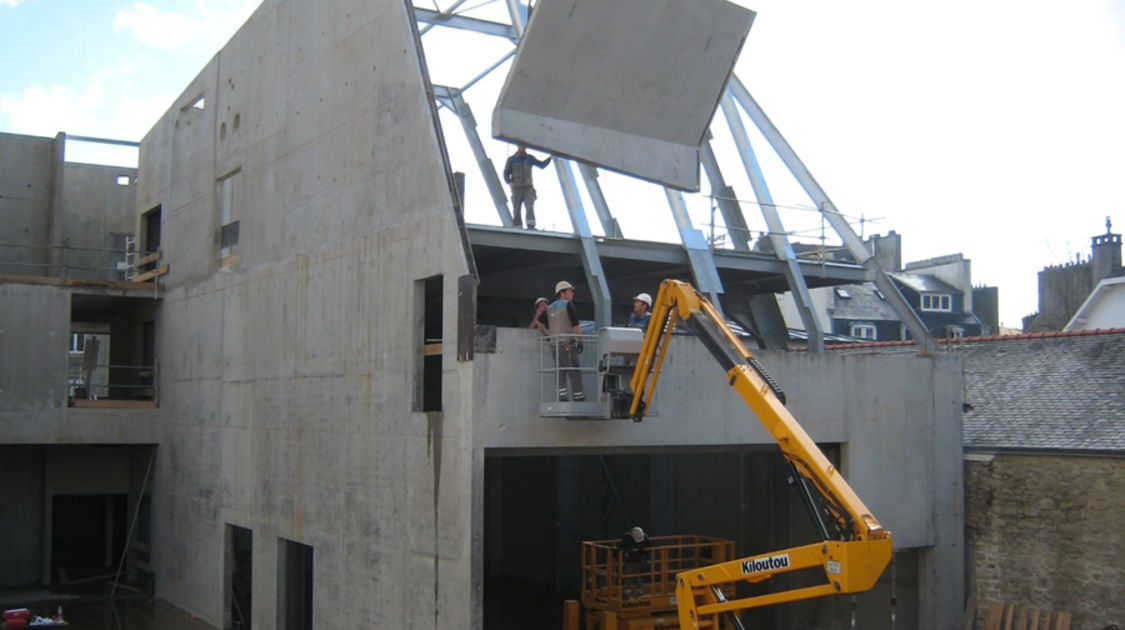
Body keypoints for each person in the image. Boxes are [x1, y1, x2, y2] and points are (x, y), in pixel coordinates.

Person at [538, 280, 585, 401]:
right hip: (567, 344)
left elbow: (538, 322)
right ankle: (578, 397)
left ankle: (562, 396)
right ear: (563, 293)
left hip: (555, 345)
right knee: (574, 371)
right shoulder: (568, 305)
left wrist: (548, 337)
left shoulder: (550, 307)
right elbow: (576, 325)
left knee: (560, 372)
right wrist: (580, 341)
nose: (572, 294)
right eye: (570, 292)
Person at [503, 144, 552, 229]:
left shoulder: (529, 158)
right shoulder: (511, 159)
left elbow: (541, 165)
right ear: (518, 147)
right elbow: (506, 173)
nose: (524, 148)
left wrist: (551, 158)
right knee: (516, 209)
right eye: (522, 146)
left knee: (530, 207)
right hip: (516, 188)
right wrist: (509, 182)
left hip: (528, 188)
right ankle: (517, 227)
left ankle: (531, 226)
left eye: (525, 147)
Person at [618, 526, 651, 600]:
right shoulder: (627, 538)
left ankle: (639, 591)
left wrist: (643, 553)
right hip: (630, 559)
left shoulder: (645, 538)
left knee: (639, 575)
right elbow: (621, 547)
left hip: (639, 559)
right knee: (628, 576)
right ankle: (626, 592)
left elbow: (649, 546)